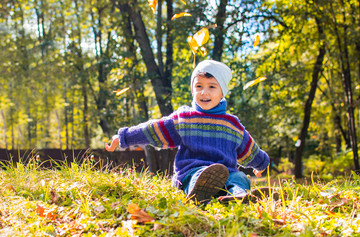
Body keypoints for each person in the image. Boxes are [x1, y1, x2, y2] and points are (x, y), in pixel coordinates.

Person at [106, 60, 270, 204]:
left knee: (239, 177)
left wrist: (261, 163)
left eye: (212, 87)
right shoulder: (184, 119)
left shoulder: (232, 124)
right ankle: (198, 194)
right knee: (198, 176)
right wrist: (123, 137)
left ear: (222, 93)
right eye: (199, 86)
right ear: (192, 90)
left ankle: (239, 195)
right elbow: (152, 129)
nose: (204, 92)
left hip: (227, 174)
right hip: (190, 172)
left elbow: (249, 148)